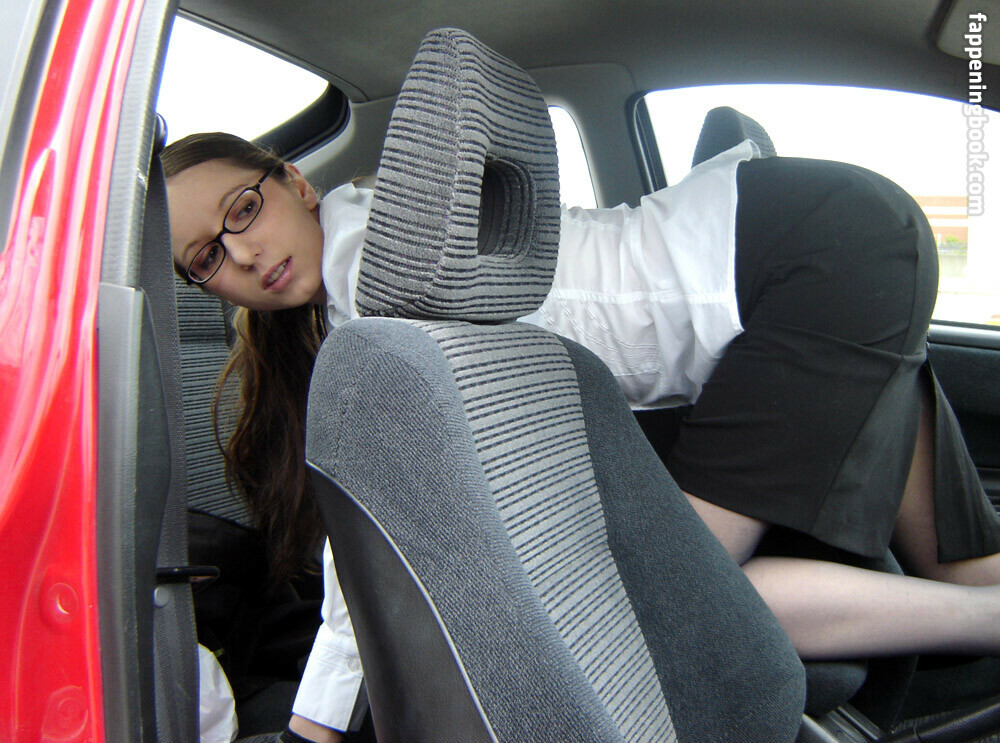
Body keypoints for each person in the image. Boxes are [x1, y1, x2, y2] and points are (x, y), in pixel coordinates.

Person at [162, 132, 1000, 742]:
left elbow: (363, 549)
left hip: (793, 261)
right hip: (832, 222)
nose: (244, 253)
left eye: (244, 209)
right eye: (206, 258)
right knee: (962, 558)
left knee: (694, 597)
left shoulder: (381, 275)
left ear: (296, 183)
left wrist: (312, 725)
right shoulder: (379, 246)